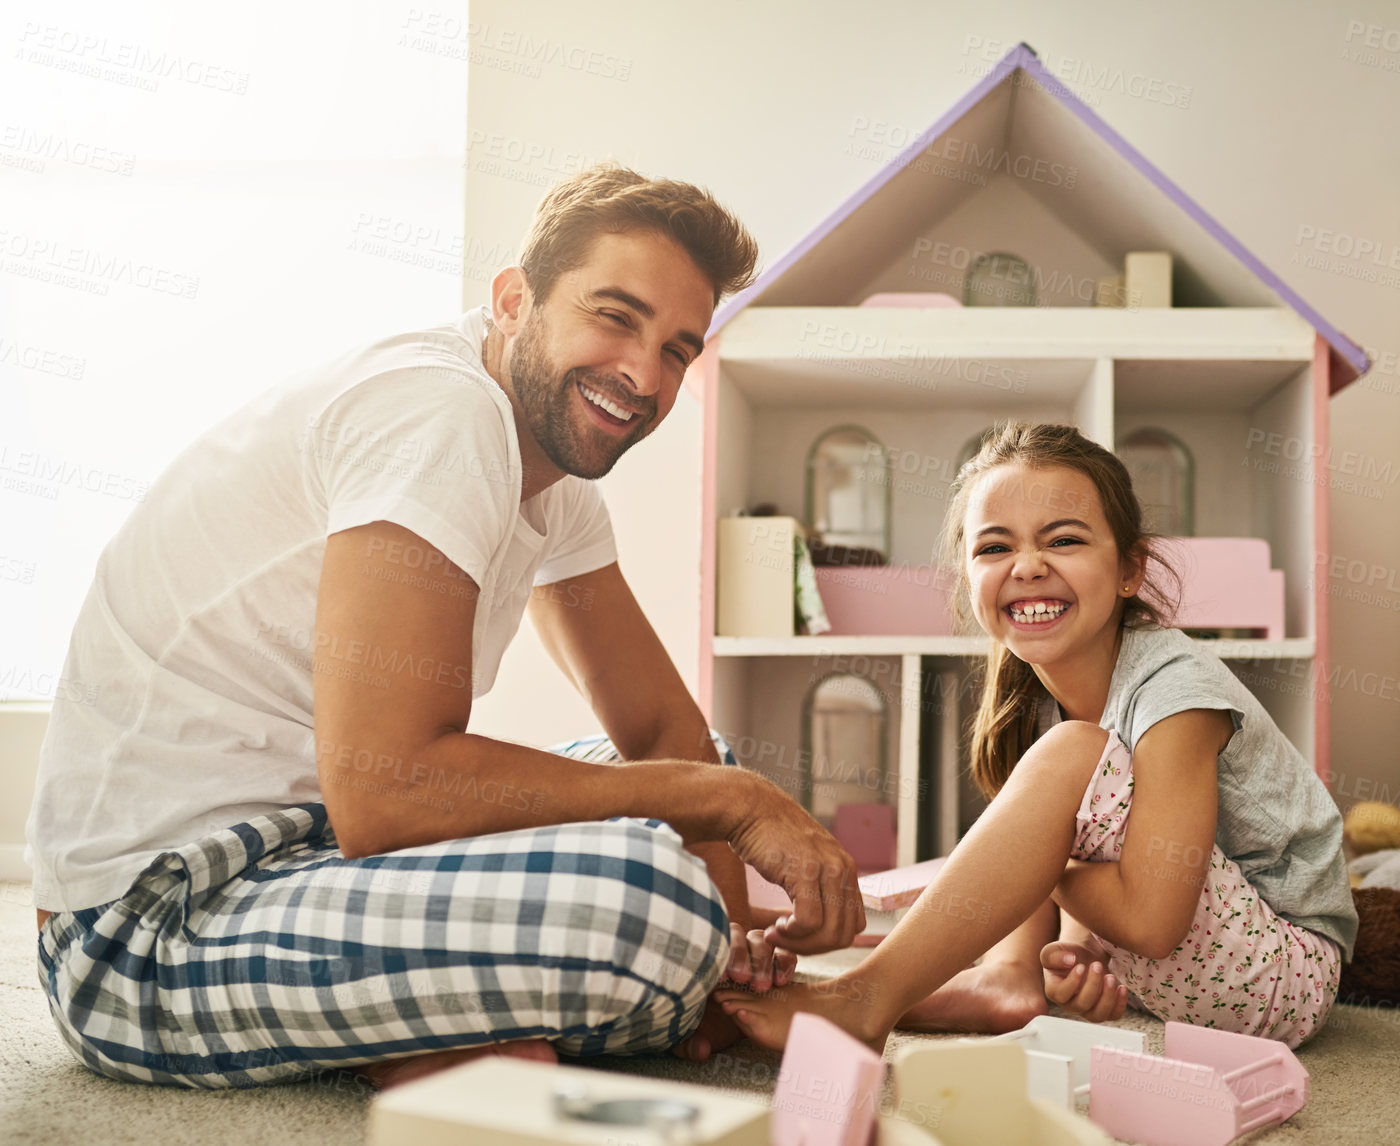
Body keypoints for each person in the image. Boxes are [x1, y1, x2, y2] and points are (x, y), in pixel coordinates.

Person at [26, 162, 861, 1091]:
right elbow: (390, 792)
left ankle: (475, 1023)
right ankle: (507, 1013)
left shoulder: (554, 475)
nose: (641, 373)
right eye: (615, 316)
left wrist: (737, 942)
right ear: (514, 300)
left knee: (671, 783)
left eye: (677, 350)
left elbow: (661, 734)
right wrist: (734, 811)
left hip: (313, 852)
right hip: (145, 930)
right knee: (648, 898)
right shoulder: (442, 412)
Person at [716, 422, 1358, 1052]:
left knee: (1069, 762)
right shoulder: (1044, 698)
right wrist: (1075, 956)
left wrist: (1041, 866)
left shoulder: (1174, 693)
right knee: (1062, 767)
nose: (1027, 566)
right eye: (994, 549)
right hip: (1197, 955)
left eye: (1065, 540)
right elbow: (1121, 885)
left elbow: (1153, 923)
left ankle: (864, 1000)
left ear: (1131, 570)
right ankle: (1008, 976)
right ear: (969, 582)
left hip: (1279, 974)